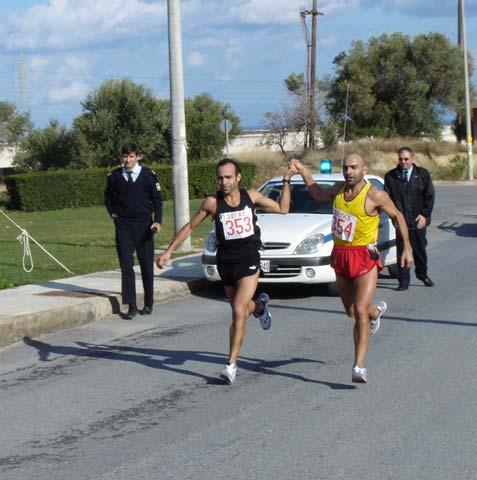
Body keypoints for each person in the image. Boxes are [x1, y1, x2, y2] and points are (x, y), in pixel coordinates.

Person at [156, 158, 296, 384]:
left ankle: (231, 364)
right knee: (240, 308)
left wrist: (287, 180)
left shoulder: (251, 197)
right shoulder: (212, 202)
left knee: (238, 311)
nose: (224, 182)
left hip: (249, 261)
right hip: (226, 263)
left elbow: (283, 208)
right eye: (220, 178)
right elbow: (190, 226)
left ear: (238, 178)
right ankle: (260, 306)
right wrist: (169, 251)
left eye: (228, 177)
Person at [291, 154, 413, 384]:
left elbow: (397, 216)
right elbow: (317, 194)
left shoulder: (375, 195)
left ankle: (359, 366)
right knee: (351, 311)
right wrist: (302, 171)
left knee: (359, 310)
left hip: (364, 256)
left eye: (354, 167)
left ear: (363, 169)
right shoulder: (337, 190)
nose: (349, 171)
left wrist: (406, 247)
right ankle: (375, 313)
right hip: (341, 255)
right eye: (346, 167)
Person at [105, 143, 163, 319]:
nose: (127, 160)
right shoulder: (114, 176)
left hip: (144, 226)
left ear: (138, 157)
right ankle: (131, 305)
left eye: (131, 156)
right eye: (124, 156)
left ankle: (148, 302)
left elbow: (157, 200)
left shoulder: (148, 175)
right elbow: (108, 198)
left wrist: (157, 221)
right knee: (126, 266)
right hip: (123, 226)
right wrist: (114, 216)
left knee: (146, 265)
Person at [383, 147, 435, 291]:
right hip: (401, 222)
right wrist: (393, 217)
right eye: (401, 159)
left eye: (406, 159)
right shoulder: (391, 177)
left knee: (419, 250)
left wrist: (425, 214)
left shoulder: (422, 174)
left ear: (412, 159)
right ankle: (403, 281)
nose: (403, 162)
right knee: (402, 251)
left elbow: (429, 196)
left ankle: (422, 274)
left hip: (418, 221)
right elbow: (388, 200)